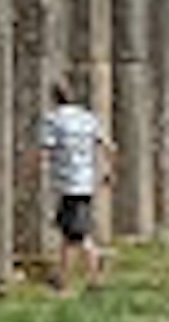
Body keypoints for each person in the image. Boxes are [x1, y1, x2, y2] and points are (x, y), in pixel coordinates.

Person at [36, 80, 115, 291]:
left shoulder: (53, 120)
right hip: (85, 182)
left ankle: (92, 273)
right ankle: (62, 278)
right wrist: (109, 172)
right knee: (69, 231)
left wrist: (32, 172)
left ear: (53, 98)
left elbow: (44, 149)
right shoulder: (87, 118)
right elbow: (109, 145)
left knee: (76, 235)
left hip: (67, 183)